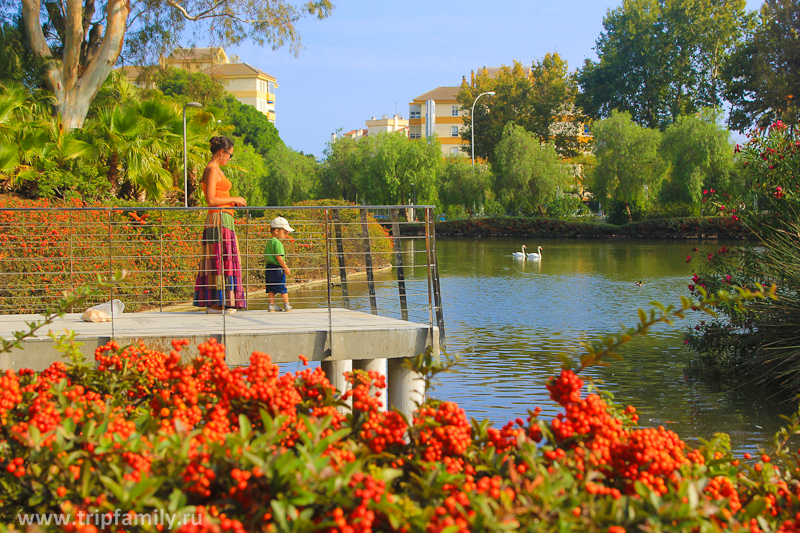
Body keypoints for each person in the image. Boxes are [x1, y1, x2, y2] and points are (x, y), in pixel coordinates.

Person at [193, 136, 247, 314]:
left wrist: (233, 203)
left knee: (227, 261)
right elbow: (210, 200)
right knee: (218, 260)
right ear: (221, 152)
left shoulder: (217, 170)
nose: (230, 159)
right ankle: (215, 304)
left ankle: (224, 302)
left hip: (225, 219)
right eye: (230, 155)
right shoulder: (211, 170)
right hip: (217, 219)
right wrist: (234, 199)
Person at [264, 216, 294, 312]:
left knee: (271, 288)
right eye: (285, 232)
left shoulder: (269, 242)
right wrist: (285, 267)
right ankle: (287, 305)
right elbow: (279, 256)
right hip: (277, 268)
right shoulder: (278, 243)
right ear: (276, 231)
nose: (286, 234)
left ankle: (271, 305)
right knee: (282, 286)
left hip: (269, 267)